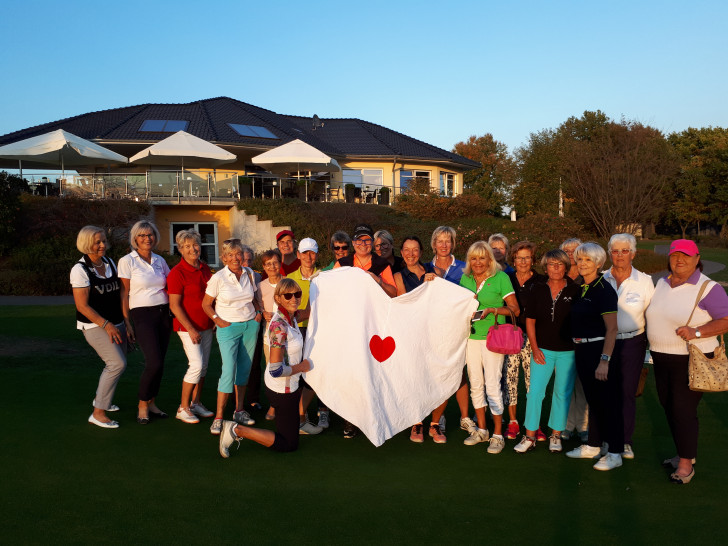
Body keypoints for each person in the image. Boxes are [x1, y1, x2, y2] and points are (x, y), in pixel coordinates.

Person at [645, 239, 728, 484]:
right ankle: (683, 452)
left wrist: (697, 332)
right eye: (675, 255)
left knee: (683, 410)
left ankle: (685, 464)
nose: (679, 260)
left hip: (692, 358)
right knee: (668, 406)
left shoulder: (707, 287)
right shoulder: (662, 283)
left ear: (696, 257)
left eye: (686, 255)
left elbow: (725, 319)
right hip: (661, 356)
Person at [219, 278, 313, 457]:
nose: (294, 299)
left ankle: (295, 423)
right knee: (288, 444)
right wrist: (301, 367)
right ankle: (236, 430)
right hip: (281, 389)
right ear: (278, 298)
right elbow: (276, 370)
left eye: (297, 294)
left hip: (291, 386)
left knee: (292, 435)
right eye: (288, 295)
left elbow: (308, 311)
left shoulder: (292, 317)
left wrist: (318, 283)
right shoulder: (279, 326)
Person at [514, 249, 579, 454]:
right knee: (535, 393)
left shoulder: (575, 290)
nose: (556, 268)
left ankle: (556, 435)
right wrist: (534, 348)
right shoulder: (538, 289)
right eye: (552, 264)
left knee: (562, 393)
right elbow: (530, 320)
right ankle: (530, 436)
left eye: (560, 264)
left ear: (566, 267)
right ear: (546, 267)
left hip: (568, 352)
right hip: (542, 351)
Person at [565, 242, 623, 471]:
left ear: (599, 263)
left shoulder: (604, 290)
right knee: (594, 402)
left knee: (608, 404)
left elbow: (612, 329)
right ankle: (593, 445)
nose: (582, 264)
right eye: (579, 259)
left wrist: (604, 361)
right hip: (582, 351)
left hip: (599, 351)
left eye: (588, 260)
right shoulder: (583, 287)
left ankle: (616, 451)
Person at [335, 223, 396, 437]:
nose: (363, 244)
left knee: (372, 371)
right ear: (353, 243)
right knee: (351, 372)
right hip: (349, 324)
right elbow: (331, 290)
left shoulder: (380, 264)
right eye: (359, 240)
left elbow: (393, 293)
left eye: (367, 240)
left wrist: (377, 280)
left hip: (373, 324)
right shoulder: (342, 263)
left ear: (372, 243)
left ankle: (373, 416)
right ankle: (350, 419)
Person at [460, 241, 519, 454]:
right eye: (473, 258)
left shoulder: (501, 277)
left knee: (493, 385)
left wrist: (493, 309)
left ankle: (497, 434)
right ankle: (481, 430)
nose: (477, 262)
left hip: (493, 338)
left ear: (489, 259)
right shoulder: (465, 278)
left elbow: (515, 310)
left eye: (482, 258)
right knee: (476, 383)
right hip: (471, 337)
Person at [202, 239, 262, 435]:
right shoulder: (218, 278)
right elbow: (206, 304)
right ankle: (219, 416)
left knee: (244, 369)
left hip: (249, 326)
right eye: (230, 255)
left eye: (238, 254)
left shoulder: (250, 274)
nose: (235, 258)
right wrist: (217, 320)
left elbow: (254, 298)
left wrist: (258, 314)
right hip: (227, 328)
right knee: (228, 370)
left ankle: (239, 410)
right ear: (224, 258)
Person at [71, 226, 129, 429]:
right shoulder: (79, 270)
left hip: (117, 323)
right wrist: (107, 325)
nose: (103, 245)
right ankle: (98, 413)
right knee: (116, 364)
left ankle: (103, 400)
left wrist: (126, 322)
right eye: (98, 242)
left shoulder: (110, 262)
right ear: (87, 244)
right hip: (95, 326)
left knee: (120, 364)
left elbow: (121, 294)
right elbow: (82, 306)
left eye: (104, 240)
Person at [603, 233, 654, 460]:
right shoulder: (601, 279)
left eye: (625, 251)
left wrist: (649, 352)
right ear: (609, 253)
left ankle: (624, 441)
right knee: (606, 391)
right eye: (615, 251)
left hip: (633, 342)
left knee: (626, 393)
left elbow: (652, 315)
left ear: (633, 253)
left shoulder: (644, 281)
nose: (620, 255)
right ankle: (607, 438)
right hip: (605, 343)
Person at [392, 236, 445, 443]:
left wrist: (434, 282)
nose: (411, 254)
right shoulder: (398, 275)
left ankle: (435, 424)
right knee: (415, 379)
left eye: (415, 250)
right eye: (406, 250)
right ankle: (417, 422)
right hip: (412, 335)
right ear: (402, 252)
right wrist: (425, 286)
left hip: (436, 332)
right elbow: (405, 303)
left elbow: (443, 300)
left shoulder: (436, 272)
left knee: (440, 377)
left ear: (421, 252)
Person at [119, 220, 171, 425]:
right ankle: (142, 403)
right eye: (142, 235)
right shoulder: (127, 261)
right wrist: (127, 321)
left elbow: (171, 284)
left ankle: (152, 402)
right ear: (135, 239)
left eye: (150, 234)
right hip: (142, 314)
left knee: (161, 363)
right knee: (153, 362)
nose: (147, 238)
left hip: (163, 313)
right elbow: (124, 293)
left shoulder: (159, 260)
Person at [167, 229, 215, 424]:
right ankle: (183, 407)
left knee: (203, 367)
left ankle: (196, 402)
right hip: (187, 327)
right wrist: (191, 329)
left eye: (195, 244)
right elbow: (174, 305)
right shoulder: (176, 273)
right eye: (187, 246)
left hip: (206, 324)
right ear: (180, 249)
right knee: (195, 365)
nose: (192, 249)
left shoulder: (204, 268)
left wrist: (213, 320)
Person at [430, 226, 473, 437]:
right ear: (434, 244)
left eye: (448, 241)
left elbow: (470, 295)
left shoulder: (465, 268)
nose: (444, 245)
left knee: (459, 371)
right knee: (435, 373)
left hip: (458, 328)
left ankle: (465, 418)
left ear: (453, 244)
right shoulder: (425, 267)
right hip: (432, 329)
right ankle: (439, 416)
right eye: (440, 241)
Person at [502, 241, 547, 441]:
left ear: (533, 260)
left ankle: (533, 423)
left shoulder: (541, 281)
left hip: (533, 338)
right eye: (519, 257)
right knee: (510, 380)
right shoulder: (506, 278)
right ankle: (512, 422)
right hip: (510, 336)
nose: (523, 261)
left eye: (527, 257)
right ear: (513, 259)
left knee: (533, 382)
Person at [287, 237, 325, 435]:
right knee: (296, 375)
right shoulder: (291, 277)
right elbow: (286, 306)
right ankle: (297, 416)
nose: (308, 257)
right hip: (297, 331)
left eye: (312, 252)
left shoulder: (325, 275)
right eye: (304, 253)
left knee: (313, 373)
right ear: (299, 255)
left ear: (316, 254)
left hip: (319, 330)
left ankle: (301, 416)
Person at [560, 237, 588, 441]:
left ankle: (584, 426)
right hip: (562, 341)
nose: (571, 254)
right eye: (567, 251)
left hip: (586, 341)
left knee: (584, 386)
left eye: (575, 251)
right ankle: (567, 426)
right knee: (565, 385)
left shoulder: (589, 277)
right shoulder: (557, 278)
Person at [256, 249, 283, 421]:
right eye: (268, 264)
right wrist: (262, 312)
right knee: (272, 370)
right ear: (264, 267)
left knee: (288, 369)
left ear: (280, 263)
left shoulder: (288, 282)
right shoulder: (261, 286)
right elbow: (258, 305)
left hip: (287, 335)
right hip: (269, 336)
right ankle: (274, 406)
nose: (272, 267)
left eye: (274, 262)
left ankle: (287, 404)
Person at [241, 245, 266, 413]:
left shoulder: (257, 277)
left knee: (254, 363)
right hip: (234, 325)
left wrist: (259, 313)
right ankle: (237, 401)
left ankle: (253, 399)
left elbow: (260, 300)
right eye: (243, 259)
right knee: (236, 364)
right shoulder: (226, 276)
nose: (246, 262)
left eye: (250, 260)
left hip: (254, 324)